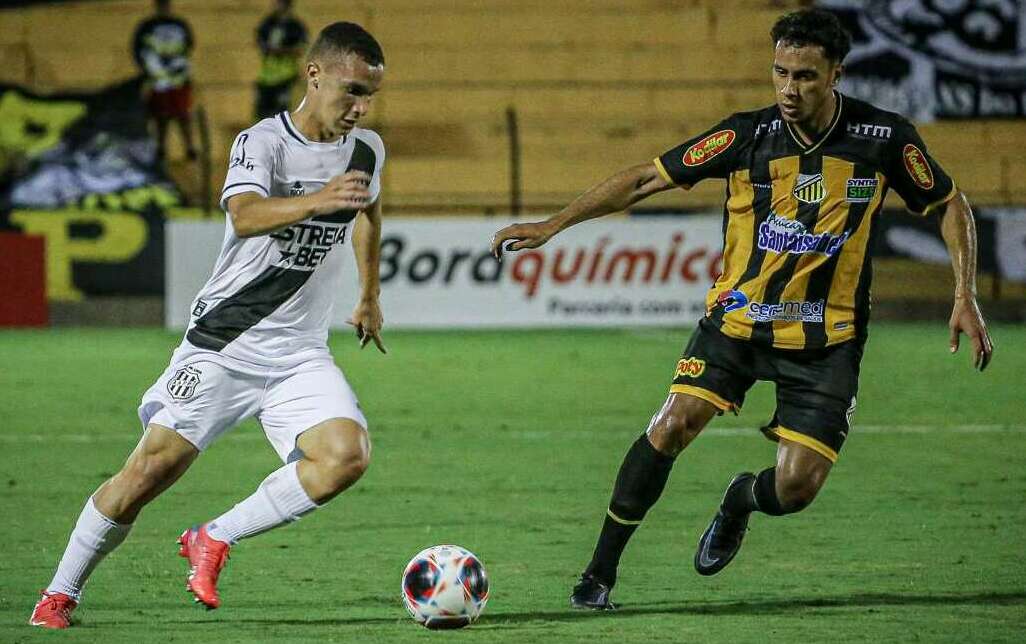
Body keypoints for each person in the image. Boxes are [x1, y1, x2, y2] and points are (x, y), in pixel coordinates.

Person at [490, 8, 994, 610]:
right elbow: (645, 180)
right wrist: (553, 224)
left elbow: (948, 202)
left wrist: (964, 294)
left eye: (805, 75)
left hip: (826, 341)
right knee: (671, 425)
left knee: (797, 487)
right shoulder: (746, 135)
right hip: (737, 323)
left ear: (836, 73)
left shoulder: (884, 138)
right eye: (780, 72)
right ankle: (598, 574)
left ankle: (741, 500)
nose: (788, 88)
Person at [30, 22, 387, 629]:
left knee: (345, 457)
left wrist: (369, 295)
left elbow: (370, 215)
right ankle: (58, 594)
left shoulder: (366, 150)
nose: (359, 107)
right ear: (314, 73)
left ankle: (213, 537)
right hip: (225, 343)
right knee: (147, 473)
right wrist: (317, 200)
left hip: (299, 353)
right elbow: (245, 216)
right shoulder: (264, 142)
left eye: (369, 96)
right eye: (351, 90)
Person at [132, 0, 198, 162]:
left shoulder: (179, 25)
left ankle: (189, 148)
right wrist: (149, 70)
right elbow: (138, 50)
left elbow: (188, 47)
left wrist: (178, 66)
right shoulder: (147, 27)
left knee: (183, 114)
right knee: (160, 115)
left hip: (178, 79)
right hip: (157, 79)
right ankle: (160, 149)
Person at [255, 0, 309, 119]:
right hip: (266, 76)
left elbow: (301, 48)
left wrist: (281, 51)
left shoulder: (296, 26)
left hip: (286, 76)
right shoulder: (267, 23)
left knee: (282, 113)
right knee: (262, 113)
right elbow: (260, 43)